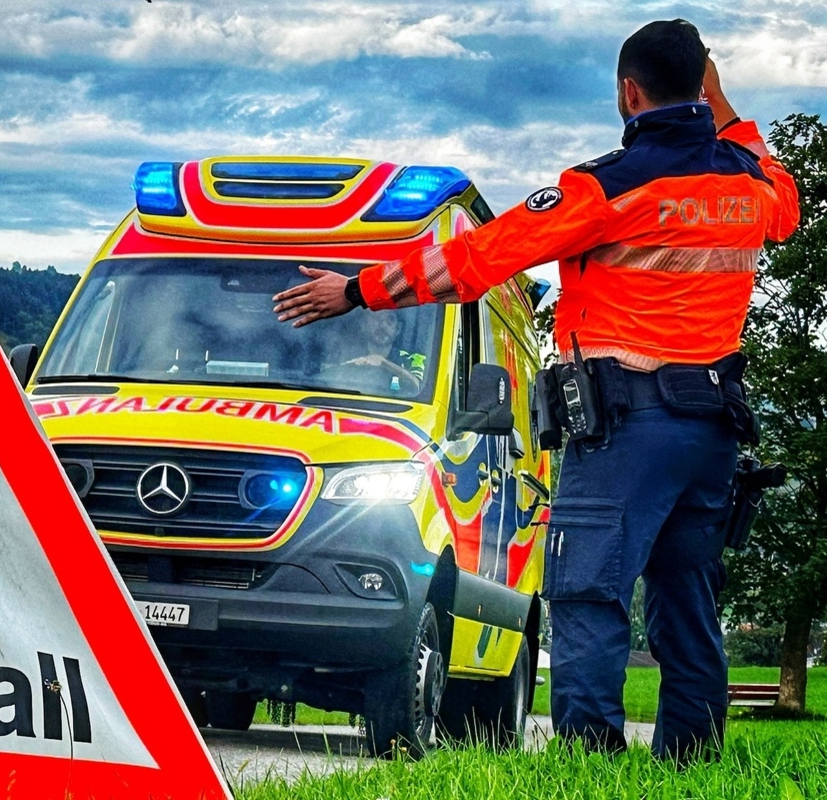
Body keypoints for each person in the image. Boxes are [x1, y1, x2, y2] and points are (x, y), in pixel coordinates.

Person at [272, 19, 800, 761]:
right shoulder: (750, 184)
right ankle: (691, 761)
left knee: (588, 593)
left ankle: (589, 762)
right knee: (688, 603)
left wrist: (357, 290)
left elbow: (477, 259)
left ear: (629, 93)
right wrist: (721, 101)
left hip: (626, 429)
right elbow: (783, 193)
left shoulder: (606, 187)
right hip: (712, 429)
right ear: (704, 87)